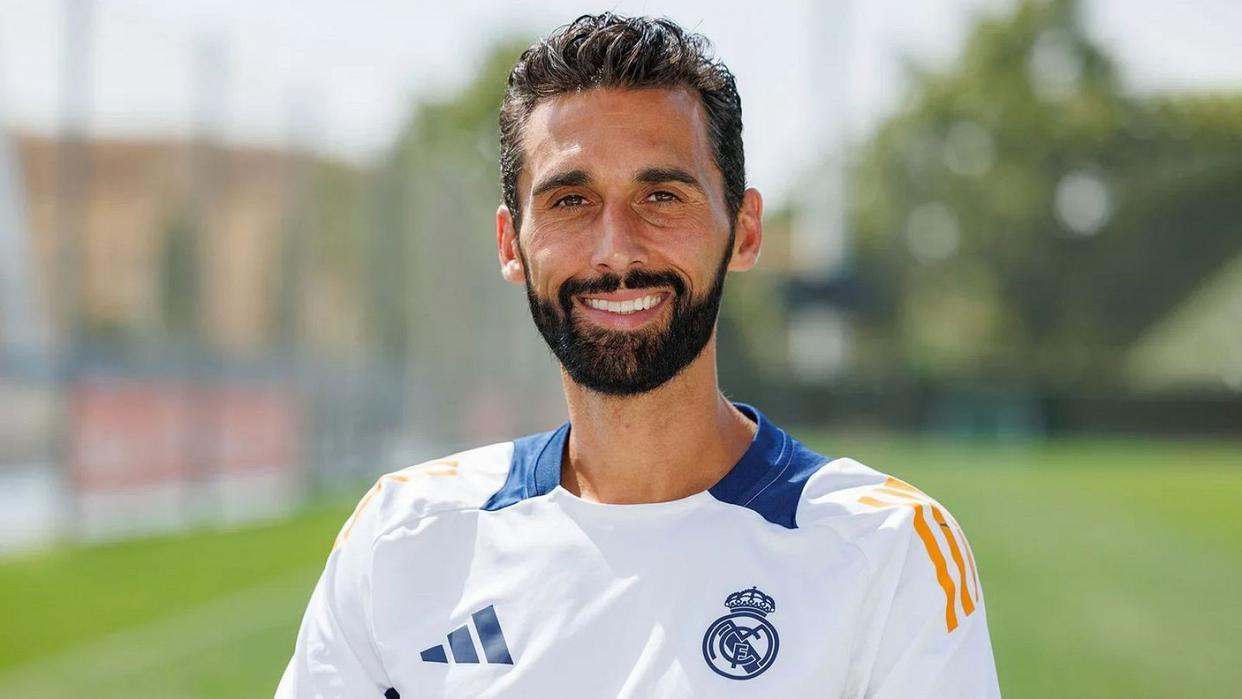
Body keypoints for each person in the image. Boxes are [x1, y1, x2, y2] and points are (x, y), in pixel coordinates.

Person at [277, 13, 1000, 698]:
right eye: (570, 201)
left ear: (744, 230)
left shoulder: (885, 550)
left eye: (660, 196)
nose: (616, 249)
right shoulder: (403, 537)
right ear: (510, 244)